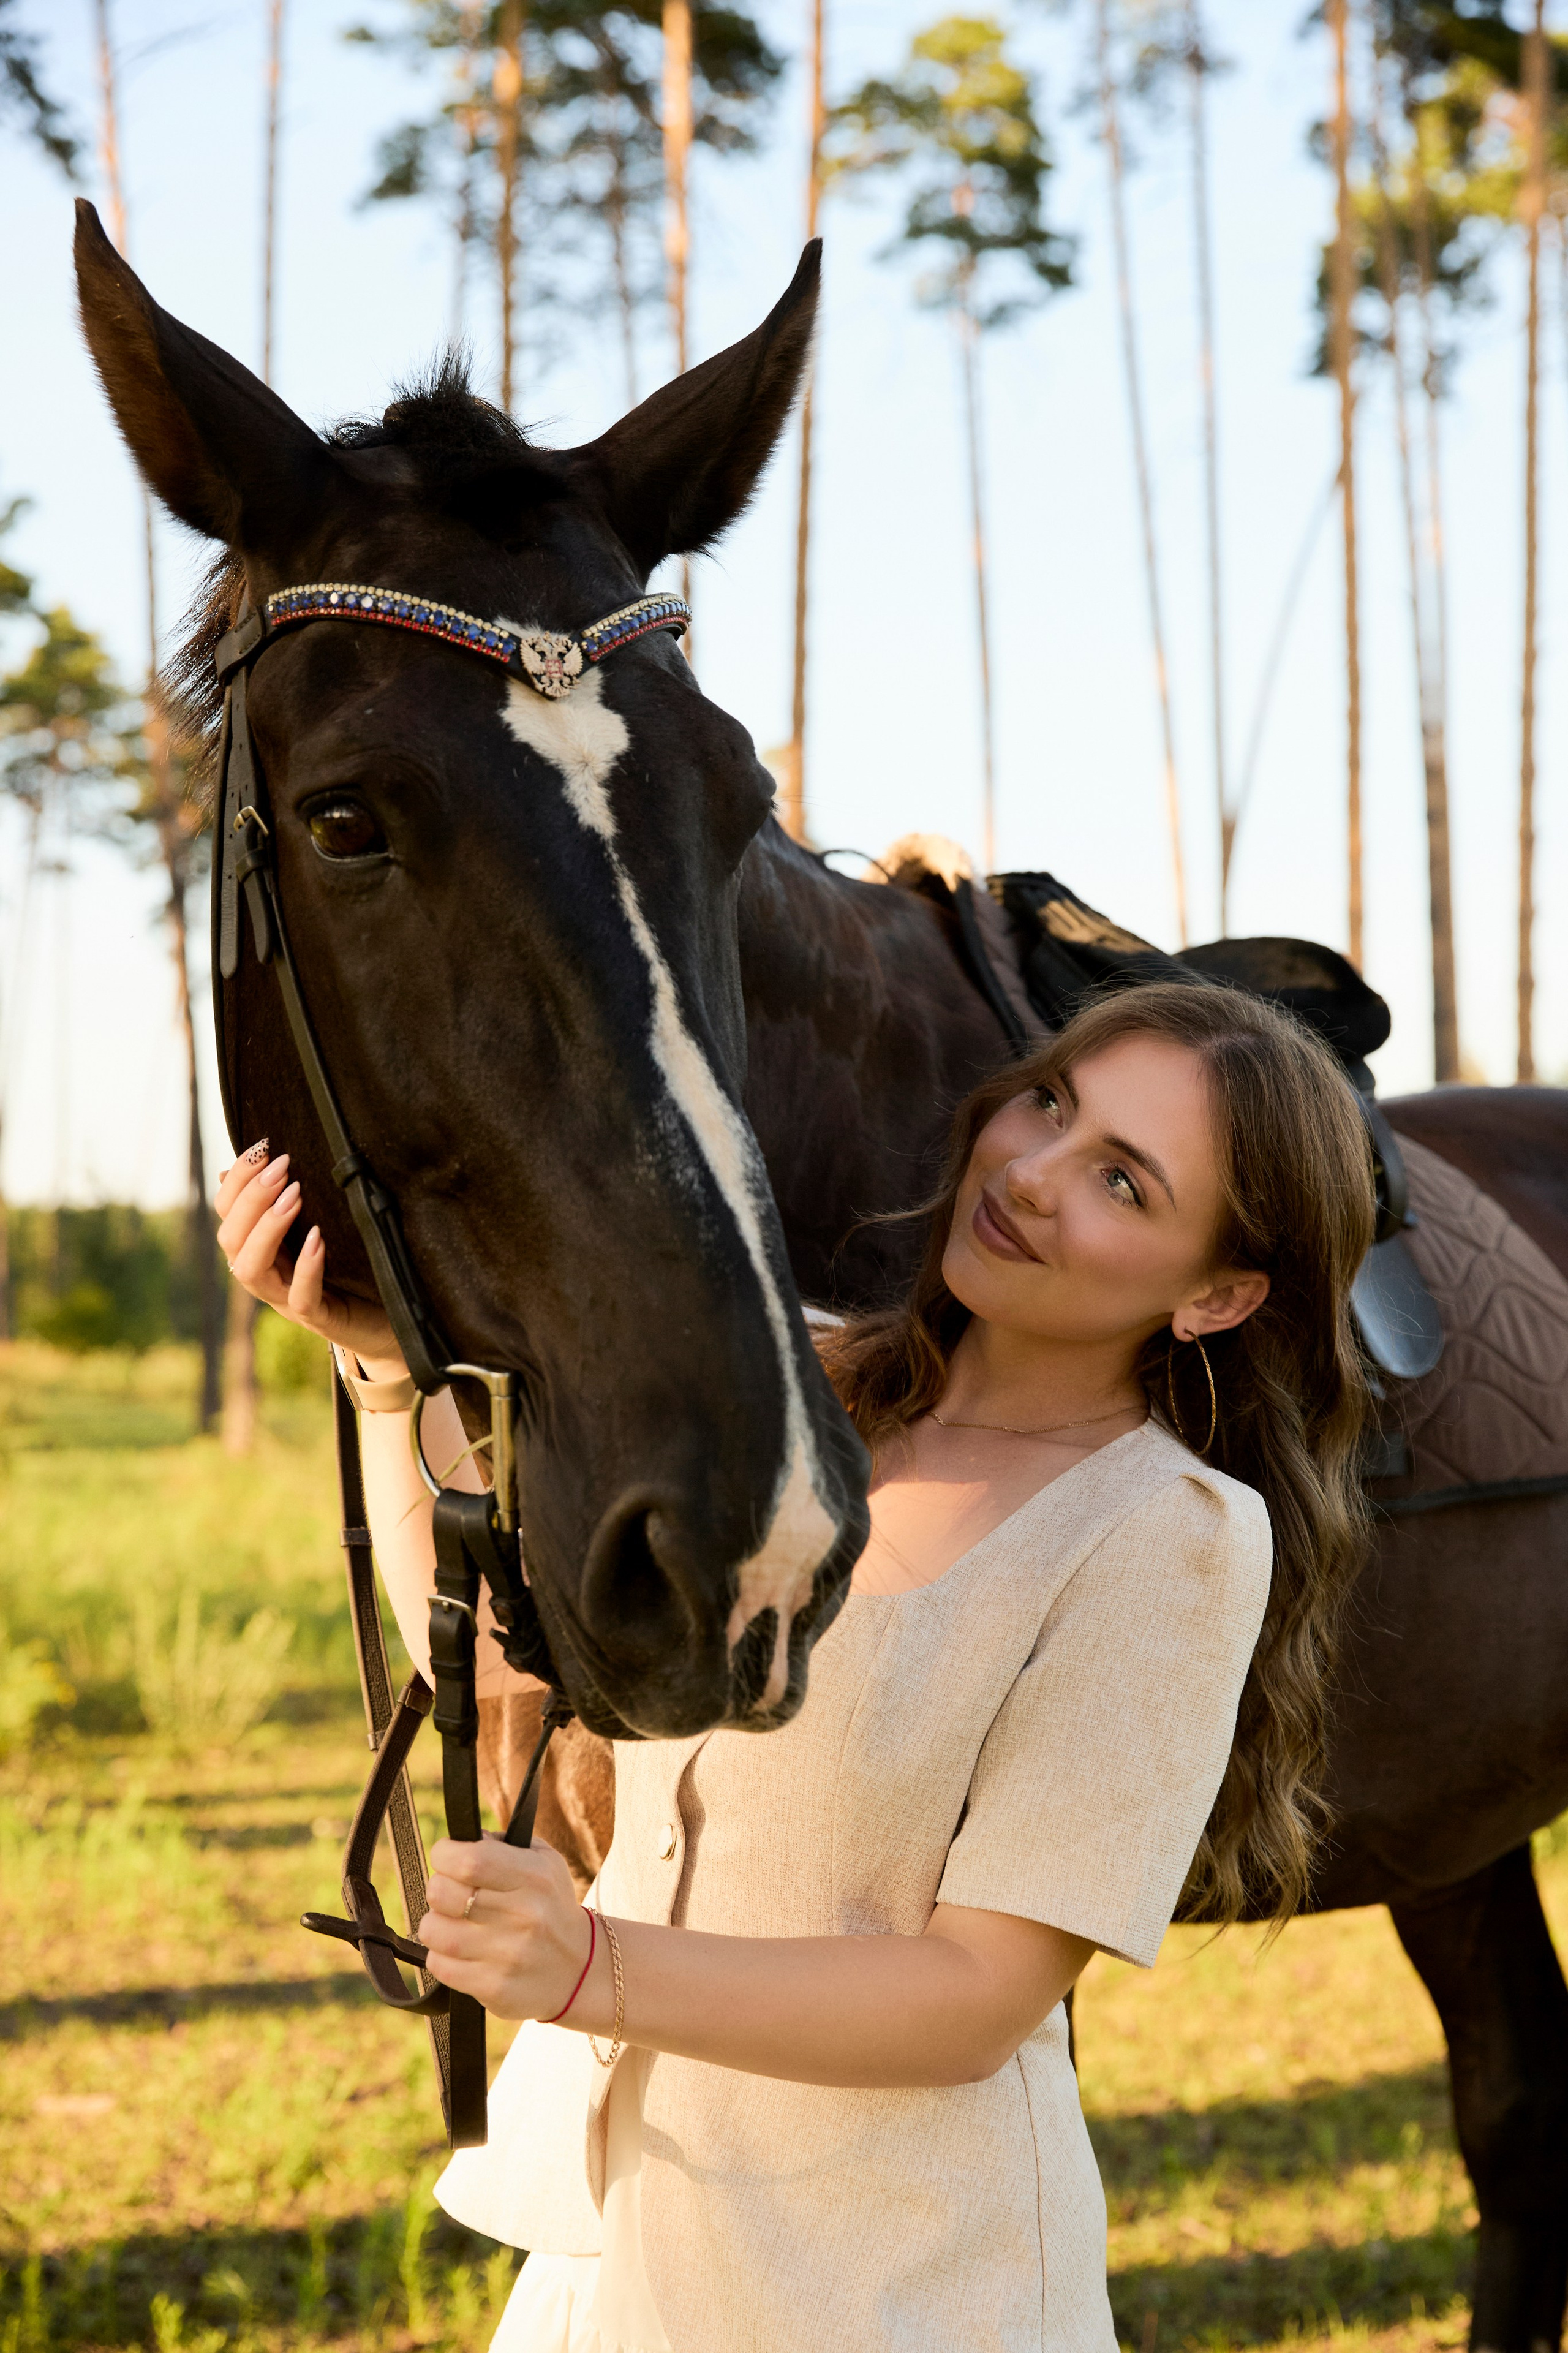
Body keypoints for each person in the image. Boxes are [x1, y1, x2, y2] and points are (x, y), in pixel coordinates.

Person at [215, 980, 1375, 2353]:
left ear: (1216, 1293)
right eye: (1050, 1104)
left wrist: (587, 1964)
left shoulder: (1163, 1536)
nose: (1031, 1173)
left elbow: (973, 1996)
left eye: (1122, 1181)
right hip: (618, 2252)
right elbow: (501, 1663)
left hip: (893, 2289)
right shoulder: (792, 1392)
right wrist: (385, 1378)